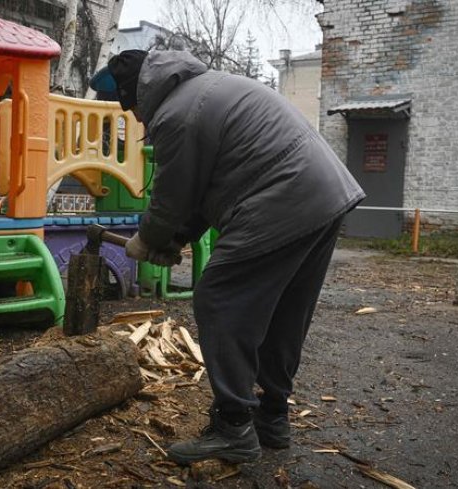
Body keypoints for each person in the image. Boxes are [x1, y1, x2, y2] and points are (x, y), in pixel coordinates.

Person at [90, 50, 365, 465]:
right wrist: (174, 241)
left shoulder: (177, 113)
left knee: (218, 297)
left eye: (132, 108)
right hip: (325, 194)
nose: (139, 119)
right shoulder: (210, 89)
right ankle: (272, 416)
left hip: (282, 195)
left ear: (137, 93)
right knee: (284, 310)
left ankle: (233, 426)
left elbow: (172, 195)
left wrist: (146, 242)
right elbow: (201, 196)